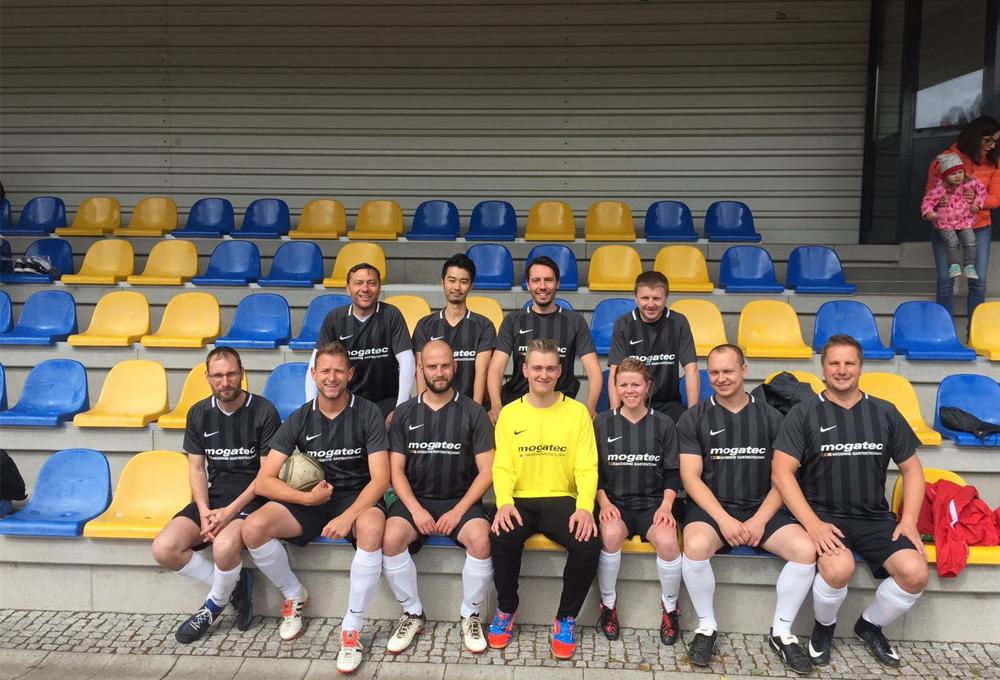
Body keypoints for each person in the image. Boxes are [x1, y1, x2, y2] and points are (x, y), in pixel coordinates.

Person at [772, 334, 927, 669]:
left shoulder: (884, 411)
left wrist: (909, 520)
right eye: (834, 363)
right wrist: (812, 525)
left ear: (860, 366)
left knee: (915, 573)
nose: (841, 370)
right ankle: (824, 626)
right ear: (823, 368)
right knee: (838, 569)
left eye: (849, 363)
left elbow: (913, 470)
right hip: (824, 516)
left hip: (874, 518)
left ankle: (870, 625)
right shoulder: (803, 413)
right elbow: (781, 473)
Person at [241, 342, 390, 674]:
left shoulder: (367, 412)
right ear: (313, 374)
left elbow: (381, 479)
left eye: (338, 370)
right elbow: (264, 481)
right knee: (252, 528)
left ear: (350, 374)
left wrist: (347, 517)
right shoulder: (300, 417)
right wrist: (307, 499)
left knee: (371, 528)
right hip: (312, 497)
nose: (331, 377)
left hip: (357, 497)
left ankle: (352, 629)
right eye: (325, 371)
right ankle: (294, 594)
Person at [678, 344, 817, 675]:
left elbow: (783, 477)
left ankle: (782, 633)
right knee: (694, 546)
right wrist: (724, 520)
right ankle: (706, 627)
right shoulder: (694, 417)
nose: (721, 378)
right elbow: (690, 477)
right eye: (714, 372)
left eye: (728, 371)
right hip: (713, 509)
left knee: (805, 550)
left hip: (761, 506)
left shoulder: (773, 417)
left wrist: (759, 521)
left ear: (743, 370)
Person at [151, 347, 280, 643]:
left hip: (254, 497)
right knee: (164, 548)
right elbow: (196, 469)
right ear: (207, 377)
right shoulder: (198, 413)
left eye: (231, 374)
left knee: (223, 545)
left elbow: (266, 476)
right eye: (218, 375)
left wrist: (229, 512)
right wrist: (204, 511)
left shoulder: (264, 410)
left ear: (242, 374)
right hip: (215, 496)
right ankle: (234, 583)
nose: (225, 382)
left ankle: (212, 606)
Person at [487, 338, 601, 660]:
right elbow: (502, 466)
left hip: (561, 497)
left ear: (560, 371)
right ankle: (506, 608)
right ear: (524, 370)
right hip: (519, 498)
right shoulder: (510, 413)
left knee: (588, 541)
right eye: (536, 367)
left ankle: (565, 618)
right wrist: (503, 501)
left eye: (550, 368)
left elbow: (587, 466)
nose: (543, 374)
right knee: (501, 534)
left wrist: (585, 507)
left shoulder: (577, 413)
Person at [381, 340, 496, 654]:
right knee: (390, 539)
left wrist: (458, 511)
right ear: (421, 369)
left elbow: (487, 471)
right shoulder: (404, 413)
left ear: (455, 366)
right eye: (432, 366)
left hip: (460, 500)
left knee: (482, 540)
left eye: (445, 365)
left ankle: (470, 614)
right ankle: (413, 613)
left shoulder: (474, 412)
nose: (439, 372)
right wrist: (415, 510)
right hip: (415, 499)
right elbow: (395, 471)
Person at [593, 358, 682, 646]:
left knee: (668, 542)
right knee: (609, 535)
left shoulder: (664, 423)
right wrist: (604, 503)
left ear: (647, 386)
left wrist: (666, 506)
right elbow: (591, 470)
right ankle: (608, 605)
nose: (629, 390)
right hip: (615, 504)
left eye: (636, 384)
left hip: (653, 505)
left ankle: (670, 609)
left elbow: (672, 472)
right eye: (623, 385)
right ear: (615, 387)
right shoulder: (602, 422)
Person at [487, 255, 602, 423]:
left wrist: (590, 405)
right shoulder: (513, 320)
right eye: (536, 280)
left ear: (557, 283)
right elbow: (496, 368)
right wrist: (496, 404)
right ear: (528, 284)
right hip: (519, 403)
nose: (542, 286)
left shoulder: (575, 321)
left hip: (562, 406)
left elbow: (593, 370)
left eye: (548, 280)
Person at [308, 262, 415, 420]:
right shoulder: (334, 318)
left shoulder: (391, 315)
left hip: (386, 401)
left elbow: (408, 361)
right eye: (358, 283)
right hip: (346, 401)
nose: (365, 289)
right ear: (348, 288)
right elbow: (316, 364)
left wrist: (400, 409)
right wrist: (311, 408)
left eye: (371, 283)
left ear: (379, 288)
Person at [926, 115, 1000, 323]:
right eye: (989, 140)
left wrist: (978, 200)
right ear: (975, 137)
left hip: (978, 226)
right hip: (946, 225)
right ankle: (944, 332)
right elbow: (930, 194)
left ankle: (973, 334)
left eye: (996, 141)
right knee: (945, 279)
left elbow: (996, 197)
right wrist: (938, 203)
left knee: (978, 280)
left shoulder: (994, 163)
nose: (992, 146)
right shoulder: (945, 159)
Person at [607, 271, 698, 423]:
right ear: (635, 297)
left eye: (656, 298)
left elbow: (691, 369)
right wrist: (614, 412)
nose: (650, 304)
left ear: (666, 298)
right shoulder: (623, 324)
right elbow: (614, 371)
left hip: (668, 403)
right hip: (632, 402)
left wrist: (693, 413)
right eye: (645, 298)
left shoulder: (679, 322)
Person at [411, 254, 496, 404]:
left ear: (471, 285)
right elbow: (420, 369)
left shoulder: (484, 326)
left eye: (463, 281)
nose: (457, 287)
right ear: (442, 282)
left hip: (470, 405)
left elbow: (481, 371)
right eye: (452, 280)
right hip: (434, 406)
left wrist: (475, 411)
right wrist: (424, 408)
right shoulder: (424, 325)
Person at [921, 152, 989, 279]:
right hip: (945, 222)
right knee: (952, 242)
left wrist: (977, 203)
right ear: (945, 176)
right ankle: (954, 266)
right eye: (953, 174)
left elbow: (982, 192)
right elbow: (927, 201)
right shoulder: (940, 188)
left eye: (960, 172)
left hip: (965, 220)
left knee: (971, 241)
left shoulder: (970, 182)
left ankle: (969, 267)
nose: (958, 176)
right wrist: (928, 213)